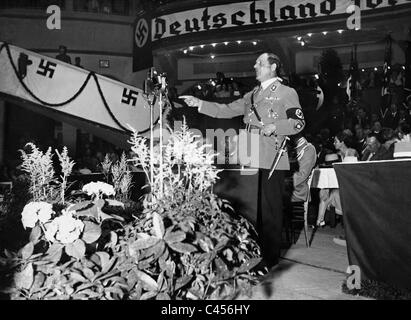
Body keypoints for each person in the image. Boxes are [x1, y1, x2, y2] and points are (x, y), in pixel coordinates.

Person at [180, 53, 305, 269]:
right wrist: (199, 102)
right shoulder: (252, 94)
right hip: (248, 154)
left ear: (273, 67)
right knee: (249, 208)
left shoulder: (287, 92)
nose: (255, 65)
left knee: (269, 209)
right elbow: (227, 109)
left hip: (271, 155)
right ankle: (252, 254)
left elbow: (298, 123)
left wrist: (276, 127)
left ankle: (269, 259)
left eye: (260, 63)